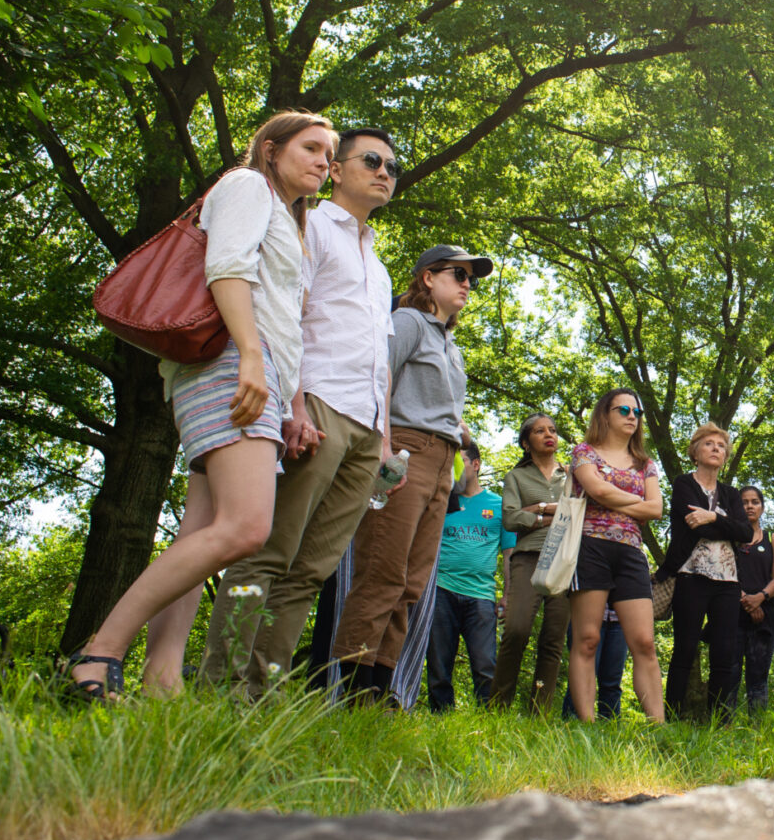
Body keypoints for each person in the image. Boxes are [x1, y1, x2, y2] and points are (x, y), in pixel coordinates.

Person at [69, 112, 335, 698]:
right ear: (270, 149)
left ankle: (161, 683)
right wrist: (249, 357)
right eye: (311, 147)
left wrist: (291, 404)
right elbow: (227, 271)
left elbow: (284, 320)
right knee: (245, 527)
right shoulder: (246, 187)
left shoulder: (291, 221)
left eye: (328, 153)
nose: (324, 161)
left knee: (206, 530)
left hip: (258, 370)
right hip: (230, 367)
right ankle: (98, 652)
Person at [200, 126, 399, 697]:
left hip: (365, 430)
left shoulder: (380, 267)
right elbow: (289, 320)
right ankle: (219, 689)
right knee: (267, 554)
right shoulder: (308, 232)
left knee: (310, 571)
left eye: (392, 166)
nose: (385, 172)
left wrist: (383, 439)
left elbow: (380, 359)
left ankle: (263, 694)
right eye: (371, 160)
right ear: (336, 170)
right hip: (316, 407)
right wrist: (294, 407)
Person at [332, 244, 490, 700]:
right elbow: (377, 379)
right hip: (404, 453)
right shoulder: (406, 321)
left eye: (471, 279)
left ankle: (380, 691)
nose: (466, 284)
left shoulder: (448, 340)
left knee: (412, 583)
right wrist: (382, 448)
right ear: (427, 278)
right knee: (381, 571)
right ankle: (350, 690)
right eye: (458, 274)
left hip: (443, 465)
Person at [566, 389, 666, 722]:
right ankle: (587, 726)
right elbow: (594, 489)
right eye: (623, 409)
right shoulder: (584, 452)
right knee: (587, 638)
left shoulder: (645, 464)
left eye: (637, 412)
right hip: (589, 547)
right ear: (604, 414)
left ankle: (659, 725)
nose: (632, 416)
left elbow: (657, 509)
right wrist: (635, 502)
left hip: (631, 552)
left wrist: (611, 496)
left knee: (644, 643)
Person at [660, 424, 752, 722]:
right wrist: (726, 524)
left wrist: (712, 516)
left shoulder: (731, 493)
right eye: (709, 443)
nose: (716, 449)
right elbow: (692, 522)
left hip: (728, 581)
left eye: (721, 445)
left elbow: (746, 532)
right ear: (695, 452)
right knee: (685, 648)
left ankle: (719, 723)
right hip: (690, 576)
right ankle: (671, 719)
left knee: (724, 653)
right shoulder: (683, 484)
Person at [426, 441, 515, 711]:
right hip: (440, 590)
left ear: (475, 465)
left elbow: (510, 554)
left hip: (481, 596)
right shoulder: (441, 501)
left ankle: (489, 721)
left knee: (486, 665)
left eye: (460, 462)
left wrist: (508, 596)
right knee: (439, 664)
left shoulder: (498, 506)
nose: (453, 469)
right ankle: (440, 718)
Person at [496, 413, 572, 712]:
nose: (548, 435)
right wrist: (547, 515)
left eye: (552, 430)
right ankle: (497, 708)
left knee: (553, 638)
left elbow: (579, 511)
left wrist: (538, 509)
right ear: (527, 443)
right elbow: (511, 518)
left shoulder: (571, 475)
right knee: (516, 629)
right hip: (527, 558)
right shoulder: (516, 477)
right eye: (540, 431)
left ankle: (538, 714)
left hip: (564, 560)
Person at [735, 486, 774, 714]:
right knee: (729, 672)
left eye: (754, 502)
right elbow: (723, 573)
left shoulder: (773, 539)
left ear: (762, 507)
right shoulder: (729, 540)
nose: (749, 506)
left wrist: (760, 598)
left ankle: (757, 731)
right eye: (744, 502)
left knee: (758, 677)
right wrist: (745, 601)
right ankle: (723, 726)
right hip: (732, 614)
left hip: (766, 616)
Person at [560, 606, 627, 720]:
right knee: (581, 678)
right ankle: (573, 725)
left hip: (621, 617)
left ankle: (610, 730)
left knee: (612, 682)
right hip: (588, 614)